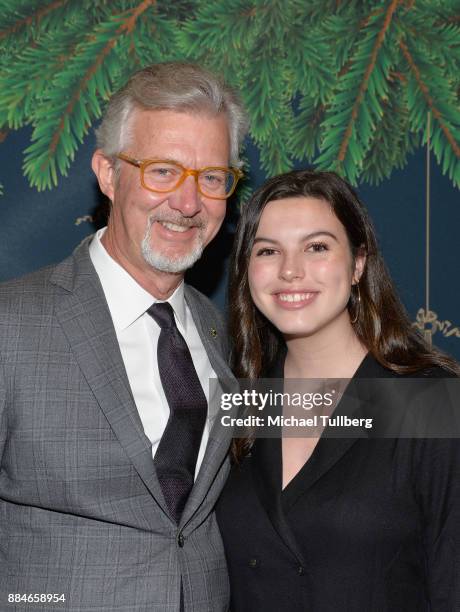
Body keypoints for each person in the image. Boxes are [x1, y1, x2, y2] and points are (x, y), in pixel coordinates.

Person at [0, 62, 247, 611]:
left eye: (211, 178)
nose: (188, 203)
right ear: (108, 174)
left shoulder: (218, 332)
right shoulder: (11, 324)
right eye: (163, 171)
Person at [216, 169, 460, 611]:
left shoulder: (430, 403)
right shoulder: (239, 404)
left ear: (358, 264)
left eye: (317, 247)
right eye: (268, 250)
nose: (291, 271)